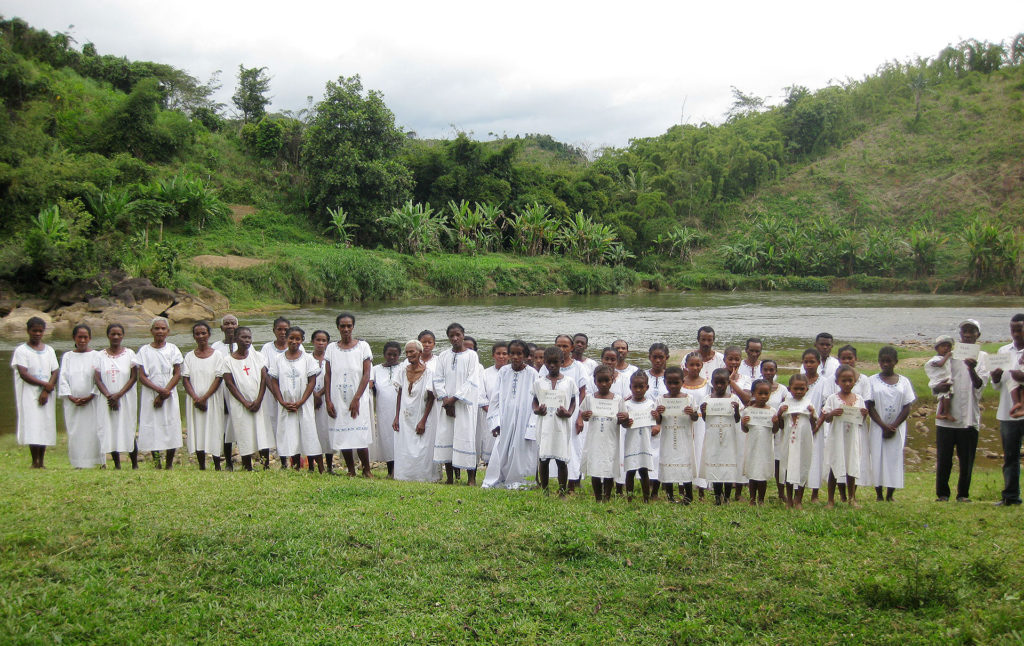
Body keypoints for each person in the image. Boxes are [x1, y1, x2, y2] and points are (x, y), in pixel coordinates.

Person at [934, 319, 988, 503]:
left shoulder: (983, 357)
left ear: (978, 335)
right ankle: (942, 494)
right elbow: (936, 378)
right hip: (947, 416)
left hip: (969, 416)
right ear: (960, 334)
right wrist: (938, 387)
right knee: (944, 458)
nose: (967, 334)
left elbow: (980, 385)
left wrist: (971, 369)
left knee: (966, 459)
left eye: (972, 331)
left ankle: (963, 494)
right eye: (965, 331)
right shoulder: (950, 354)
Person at [483, 340, 539, 490]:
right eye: (512, 353)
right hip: (505, 417)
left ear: (526, 355)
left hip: (524, 418)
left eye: (519, 354)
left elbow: (537, 399)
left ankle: (521, 480)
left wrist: (532, 424)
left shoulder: (532, 374)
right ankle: (500, 479)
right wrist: (495, 422)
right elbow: (495, 398)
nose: (515, 357)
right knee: (502, 448)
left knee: (522, 449)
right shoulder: (504, 372)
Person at [325, 312, 374, 477]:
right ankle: (351, 470)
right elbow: (328, 375)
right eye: (342, 326)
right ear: (337, 327)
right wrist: (328, 400)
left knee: (360, 434)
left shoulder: (363, 347)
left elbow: (366, 374)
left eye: (349, 326)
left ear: (353, 327)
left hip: (358, 397)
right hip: (338, 397)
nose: (346, 329)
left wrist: (356, 398)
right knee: (343, 433)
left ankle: (366, 470)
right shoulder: (331, 348)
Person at [268, 326, 322, 472]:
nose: (294, 341)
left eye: (297, 339)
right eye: (291, 338)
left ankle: (314, 466)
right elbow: (274, 381)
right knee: (290, 433)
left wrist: (301, 401)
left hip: (303, 402)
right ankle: (296, 465)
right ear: (286, 338)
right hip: (286, 404)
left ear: (302, 340)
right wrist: (281, 401)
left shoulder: (308, 358)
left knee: (308, 432)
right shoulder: (278, 359)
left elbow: (312, 381)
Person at [433, 323, 482, 485]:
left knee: (466, 437)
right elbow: (437, 379)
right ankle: (450, 478)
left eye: (458, 335)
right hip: (446, 405)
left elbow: (472, 380)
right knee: (447, 436)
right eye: (451, 336)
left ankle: (471, 479)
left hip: (464, 405)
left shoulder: (471, 356)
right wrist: (445, 400)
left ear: (463, 335)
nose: (455, 338)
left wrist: (454, 399)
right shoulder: (443, 356)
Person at [865, 346, 915, 502]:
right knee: (877, 457)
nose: (885, 364)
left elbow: (907, 406)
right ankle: (879, 494)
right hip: (878, 427)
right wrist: (883, 426)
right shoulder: (871, 381)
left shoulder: (904, 382)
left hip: (896, 428)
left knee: (894, 458)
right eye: (882, 361)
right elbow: (869, 405)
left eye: (889, 361)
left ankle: (890, 494)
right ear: (878, 362)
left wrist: (894, 425)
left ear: (896, 362)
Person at [134, 317, 183, 469]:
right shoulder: (144, 351)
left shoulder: (173, 349)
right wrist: (159, 391)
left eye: (163, 328)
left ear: (168, 331)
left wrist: (165, 392)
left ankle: (169, 464)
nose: (160, 331)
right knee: (152, 427)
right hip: (150, 394)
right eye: (157, 328)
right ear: (151, 331)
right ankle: (157, 463)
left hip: (170, 394)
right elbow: (142, 376)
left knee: (171, 426)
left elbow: (177, 373)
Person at [222, 326, 272, 470]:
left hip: (258, 401)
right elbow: (229, 383)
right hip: (239, 404)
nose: (247, 340)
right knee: (244, 432)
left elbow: (264, 378)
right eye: (243, 337)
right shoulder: (228, 360)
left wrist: (259, 400)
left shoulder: (257, 356)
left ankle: (266, 464)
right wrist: (244, 402)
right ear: (235, 339)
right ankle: (247, 465)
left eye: (249, 337)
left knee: (262, 431)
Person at [817, 365, 868, 508]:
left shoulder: (859, 399)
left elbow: (861, 421)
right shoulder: (833, 399)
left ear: (855, 382)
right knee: (834, 466)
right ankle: (830, 500)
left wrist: (864, 415)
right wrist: (832, 413)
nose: (847, 384)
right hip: (837, 438)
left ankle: (852, 498)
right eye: (843, 381)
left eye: (850, 380)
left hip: (852, 438)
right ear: (837, 382)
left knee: (852, 465)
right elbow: (826, 418)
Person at [11, 317, 59, 469]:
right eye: (34, 331)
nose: (37, 334)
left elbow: (55, 371)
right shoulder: (21, 350)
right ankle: (34, 461)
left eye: (40, 331)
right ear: (28, 331)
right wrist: (45, 384)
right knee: (33, 424)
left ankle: (42, 462)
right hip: (29, 393)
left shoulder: (49, 350)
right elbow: (23, 373)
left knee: (44, 424)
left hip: (47, 394)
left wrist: (47, 389)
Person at [182, 322, 227, 470]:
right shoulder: (189, 356)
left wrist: (205, 397)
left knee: (214, 428)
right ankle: (201, 465)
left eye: (204, 333)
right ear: (194, 336)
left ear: (209, 335)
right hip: (194, 401)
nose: (201, 336)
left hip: (212, 399)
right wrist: (196, 398)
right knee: (198, 430)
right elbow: (185, 379)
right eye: (197, 334)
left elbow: (219, 378)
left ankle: (217, 465)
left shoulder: (217, 355)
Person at [532, 346, 577, 496]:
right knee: (543, 459)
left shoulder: (569, 382)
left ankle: (562, 491)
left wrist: (569, 413)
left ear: (562, 362)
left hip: (561, 424)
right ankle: (545, 490)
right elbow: (534, 400)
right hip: (544, 423)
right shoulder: (539, 382)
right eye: (549, 362)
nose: (552, 366)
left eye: (555, 362)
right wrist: (537, 410)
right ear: (544, 362)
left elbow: (573, 401)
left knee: (561, 460)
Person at [393, 340, 439, 482]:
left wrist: (423, 420)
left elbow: (431, 398)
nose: (409, 354)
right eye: (407, 352)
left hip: (422, 414)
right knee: (404, 444)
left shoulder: (429, 373)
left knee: (422, 446)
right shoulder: (402, 371)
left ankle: (423, 477)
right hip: (405, 415)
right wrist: (396, 417)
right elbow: (400, 394)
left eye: (412, 351)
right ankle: (403, 476)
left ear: (419, 352)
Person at [990, 314, 1024, 506]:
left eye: (1020, 329)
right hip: (1007, 412)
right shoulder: (1003, 351)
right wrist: (995, 377)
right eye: (1013, 330)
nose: (1016, 334)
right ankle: (1010, 496)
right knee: (1010, 456)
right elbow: (996, 386)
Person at [579, 364, 626, 502]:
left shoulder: (618, 399)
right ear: (594, 381)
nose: (604, 384)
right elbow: (584, 416)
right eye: (600, 381)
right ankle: (598, 497)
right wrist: (585, 416)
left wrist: (623, 418)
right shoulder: (589, 398)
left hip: (610, 439)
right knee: (595, 466)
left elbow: (623, 420)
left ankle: (607, 496)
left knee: (609, 467)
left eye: (607, 380)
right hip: (595, 439)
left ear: (613, 380)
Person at [94, 323, 138, 469]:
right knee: (111, 428)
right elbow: (97, 379)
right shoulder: (100, 355)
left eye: (119, 334)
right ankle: (117, 464)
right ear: (108, 335)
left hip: (126, 398)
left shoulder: (130, 354)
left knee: (128, 427)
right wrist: (109, 396)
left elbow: (133, 377)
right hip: (107, 399)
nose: (116, 337)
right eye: (113, 334)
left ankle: (134, 464)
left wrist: (118, 395)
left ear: (123, 336)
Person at [59, 324, 103, 469]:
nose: (82, 340)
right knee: (76, 431)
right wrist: (70, 397)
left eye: (85, 337)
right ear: (74, 338)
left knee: (94, 430)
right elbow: (63, 378)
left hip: (92, 401)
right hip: (73, 403)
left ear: (90, 338)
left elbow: (100, 379)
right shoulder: (68, 356)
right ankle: (78, 462)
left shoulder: (96, 355)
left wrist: (91, 395)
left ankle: (98, 461)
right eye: (80, 337)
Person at [653, 365, 699, 503]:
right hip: (667, 438)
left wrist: (692, 413)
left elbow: (695, 418)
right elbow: (658, 421)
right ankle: (670, 496)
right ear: (664, 382)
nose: (672, 386)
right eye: (669, 383)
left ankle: (688, 495)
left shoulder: (689, 399)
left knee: (685, 463)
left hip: (684, 438)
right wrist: (658, 413)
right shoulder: (661, 399)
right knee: (668, 462)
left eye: (676, 382)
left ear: (682, 382)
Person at [699, 367, 742, 505]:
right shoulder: (707, 399)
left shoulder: (733, 398)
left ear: (728, 383)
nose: (719, 386)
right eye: (716, 382)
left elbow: (737, 420)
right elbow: (705, 419)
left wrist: (736, 410)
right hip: (713, 437)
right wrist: (703, 411)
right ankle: (718, 496)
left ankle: (727, 496)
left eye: (722, 383)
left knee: (728, 467)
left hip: (729, 437)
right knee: (715, 465)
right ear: (712, 382)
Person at [781, 373, 818, 510]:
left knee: (803, 467)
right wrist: (779, 413)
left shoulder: (808, 404)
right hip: (789, 441)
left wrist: (812, 414)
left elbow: (814, 425)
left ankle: (799, 499)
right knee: (788, 467)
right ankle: (789, 499)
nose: (798, 391)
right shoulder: (785, 404)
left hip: (803, 441)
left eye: (802, 389)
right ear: (789, 388)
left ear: (807, 389)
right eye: (795, 389)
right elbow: (780, 425)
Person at [261, 316, 294, 469]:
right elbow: (264, 372)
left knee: (286, 426)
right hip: (270, 394)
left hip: (289, 395)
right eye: (279, 329)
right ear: (273, 330)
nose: (282, 332)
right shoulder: (267, 348)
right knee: (268, 425)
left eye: (285, 329)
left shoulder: (295, 346)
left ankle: (285, 461)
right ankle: (265, 462)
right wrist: (275, 393)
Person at [741, 379, 781, 505]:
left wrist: (776, 423)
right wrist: (743, 423)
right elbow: (745, 430)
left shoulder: (772, 411)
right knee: (753, 472)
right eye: (760, 393)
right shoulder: (748, 411)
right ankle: (752, 499)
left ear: (770, 394)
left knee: (762, 473)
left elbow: (774, 431)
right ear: (753, 393)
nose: (763, 396)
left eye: (766, 393)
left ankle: (761, 499)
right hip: (752, 446)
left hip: (765, 447)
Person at [370, 341, 402, 478]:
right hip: (383, 409)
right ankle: (390, 471)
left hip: (400, 408)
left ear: (399, 355)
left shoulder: (404, 367)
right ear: (384, 354)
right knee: (386, 437)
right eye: (389, 354)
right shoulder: (375, 369)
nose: (392, 357)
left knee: (400, 437)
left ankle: (401, 470)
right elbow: (371, 386)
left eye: (395, 355)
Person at [211, 314, 239, 469]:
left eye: (233, 323)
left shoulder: (244, 344)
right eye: (226, 324)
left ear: (237, 326)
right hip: (222, 391)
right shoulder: (216, 347)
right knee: (225, 427)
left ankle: (246, 458)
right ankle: (228, 462)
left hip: (240, 392)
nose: (230, 326)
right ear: (221, 328)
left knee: (241, 424)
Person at [681, 352, 710, 497]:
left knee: (699, 450)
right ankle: (682, 484)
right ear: (686, 365)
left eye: (697, 365)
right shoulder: (680, 382)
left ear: (702, 365)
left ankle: (701, 486)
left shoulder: (707, 384)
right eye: (691, 365)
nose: (694, 368)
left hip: (700, 422)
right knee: (684, 451)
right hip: (683, 421)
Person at [761, 359, 790, 501]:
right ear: (761, 371)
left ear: (776, 371)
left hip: (778, 429)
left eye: (771, 370)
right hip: (761, 428)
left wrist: (778, 417)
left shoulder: (782, 389)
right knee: (762, 459)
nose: (768, 372)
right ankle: (760, 491)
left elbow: (787, 406)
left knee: (778, 460)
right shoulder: (758, 386)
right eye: (765, 370)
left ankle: (781, 491)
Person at [801, 348, 827, 502]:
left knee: (816, 457)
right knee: (800, 457)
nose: (809, 365)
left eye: (812, 362)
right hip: (800, 425)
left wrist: (817, 425)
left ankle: (815, 493)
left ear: (819, 363)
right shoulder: (799, 379)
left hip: (817, 426)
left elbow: (825, 406)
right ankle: (799, 489)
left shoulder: (824, 382)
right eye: (806, 362)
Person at [477, 342, 508, 469]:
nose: (501, 356)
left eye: (504, 353)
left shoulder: (513, 373)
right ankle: (490, 471)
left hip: (510, 416)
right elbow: (481, 396)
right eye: (498, 353)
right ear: (493, 355)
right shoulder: (485, 373)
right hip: (490, 415)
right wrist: (493, 413)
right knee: (491, 445)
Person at [310, 330, 335, 473]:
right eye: (318, 340)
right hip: (309, 398)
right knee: (312, 430)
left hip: (327, 399)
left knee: (326, 431)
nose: (320, 343)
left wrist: (320, 394)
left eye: (324, 340)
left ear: (327, 343)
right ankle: (312, 465)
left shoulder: (331, 359)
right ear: (312, 341)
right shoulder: (306, 358)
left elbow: (332, 378)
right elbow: (303, 378)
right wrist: (314, 395)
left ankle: (330, 466)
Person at [925, 336, 955, 422]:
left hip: (944, 379)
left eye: (948, 346)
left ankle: (940, 413)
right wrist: (947, 356)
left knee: (943, 397)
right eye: (943, 346)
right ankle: (946, 412)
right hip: (938, 381)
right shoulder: (935, 359)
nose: (946, 348)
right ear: (937, 348)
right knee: (946, 395)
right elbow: (940, 364)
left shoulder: (948, 359)